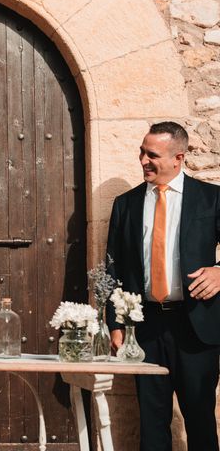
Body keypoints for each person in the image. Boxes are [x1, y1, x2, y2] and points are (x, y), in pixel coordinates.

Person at [106, 121, 220, 451]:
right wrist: (116, 324)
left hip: (196, 326)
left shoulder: (210, 198)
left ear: (178, 158)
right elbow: (113, 267)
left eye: (152, 154)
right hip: (145, 328)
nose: (142, 160)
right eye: (142, 151)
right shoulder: (124, 204)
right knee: (151, 423)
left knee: (200, 420)